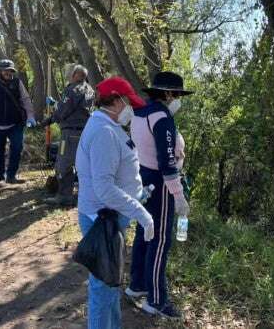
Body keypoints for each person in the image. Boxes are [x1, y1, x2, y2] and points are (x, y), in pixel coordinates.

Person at [76, 76, 155, 329]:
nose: (131, 108)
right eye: (129, 102)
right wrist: (141, 212)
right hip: (102, 221)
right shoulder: (104, 132)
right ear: (117, 101)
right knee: (103, 289)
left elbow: (116, 174)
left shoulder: (107, 125)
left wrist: (140, 192)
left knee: (110, 286)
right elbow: (104, 187)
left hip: (110, 218)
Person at [126, 71, 193, 320]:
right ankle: (156, 300)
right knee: (161, 239)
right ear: (166, 94)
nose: (177, 99)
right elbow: (167, 162)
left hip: (143, 177)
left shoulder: (140, 112)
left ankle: (137, 285)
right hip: (161, 183)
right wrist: (178, 196)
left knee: (145, 231)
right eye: (176, 94)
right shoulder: (162, 117)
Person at [0, 59, 36, 187]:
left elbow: (26, 100)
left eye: (10, 71)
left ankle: (11, 176)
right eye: (6, 71)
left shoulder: (17, 83)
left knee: (17, 148)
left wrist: (30, 116)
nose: (9, 73)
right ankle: (0, 179)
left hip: (15, 124)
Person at [43, 64, 95, 206]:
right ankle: (87, 195)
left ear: (74, 75)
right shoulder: (89, 89)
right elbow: (76, 107)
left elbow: (63, 110)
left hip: (71, 133)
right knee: (84, 164)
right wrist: (56, 104)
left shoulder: (72, 89)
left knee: (63, 164)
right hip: (85, 132)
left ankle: (65, 196)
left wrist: (50, 120)